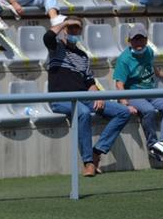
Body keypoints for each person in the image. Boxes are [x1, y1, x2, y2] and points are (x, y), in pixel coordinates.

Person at [45, 18, 132, 176]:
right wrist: (65, 23)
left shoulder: (83, 56)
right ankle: (88, 162)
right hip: (61, 99)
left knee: (123, 112)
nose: (73, 31)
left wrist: (97, 95)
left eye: (76, 28)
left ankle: (97, 151)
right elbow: (48, 37)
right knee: (83, 112)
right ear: (64, 29)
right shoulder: (55, 48)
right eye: (70, 28)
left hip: (84, 97)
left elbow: (89, 81)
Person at [114, 24, 163, 161]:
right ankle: (152, 146)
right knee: (148, 110)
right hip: (134, 94)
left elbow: (150, 63)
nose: (138, 42)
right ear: (129, 41)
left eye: (141, 39)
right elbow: (119, 84)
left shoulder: (149, 51)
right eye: (135, 39)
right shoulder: (124, 59)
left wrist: (158, 73)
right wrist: (126, 104)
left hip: (151, 92)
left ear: (146, 39)